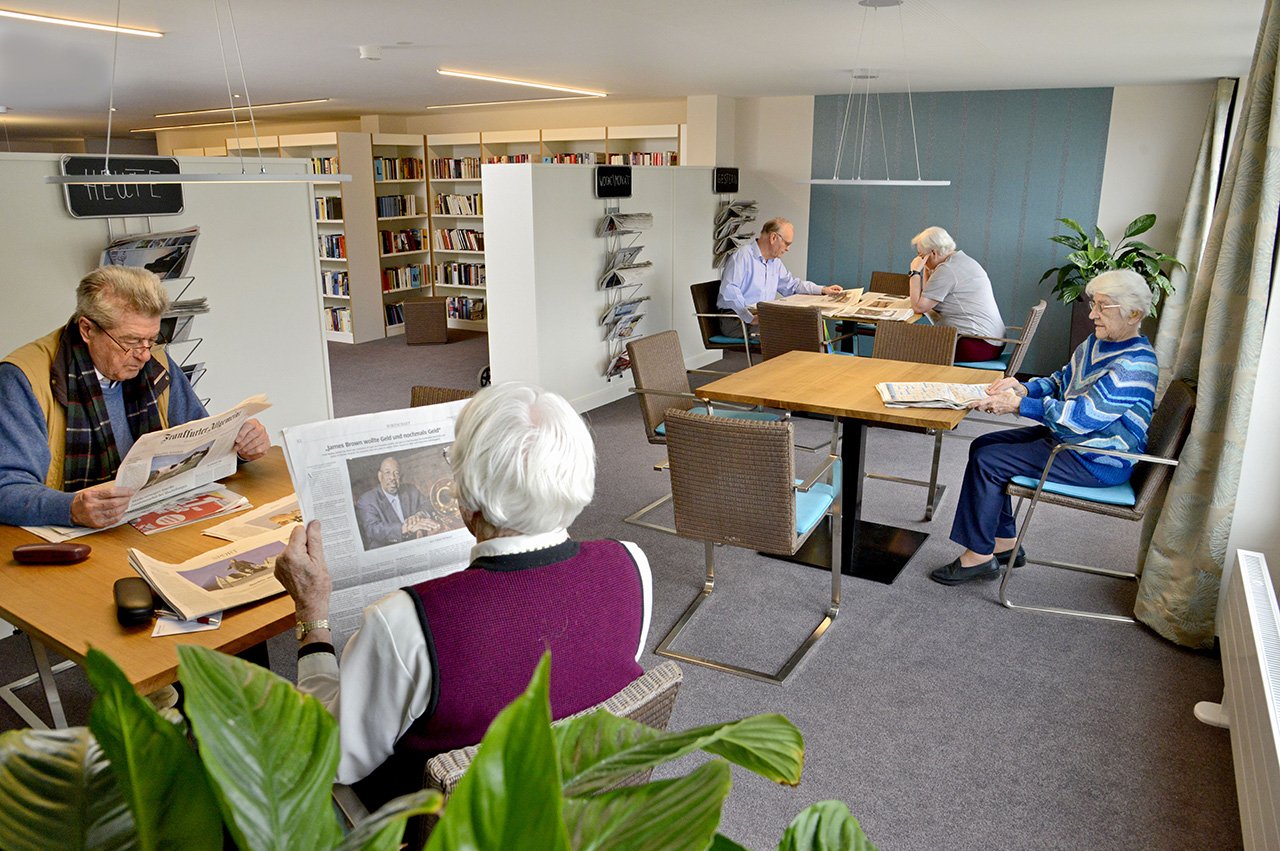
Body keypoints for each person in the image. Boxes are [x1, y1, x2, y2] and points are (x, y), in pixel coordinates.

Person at [274, 382, 653, 808]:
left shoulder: (404, 622)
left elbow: (330, 758)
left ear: (468, 505)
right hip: (573, 808)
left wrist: (312, 616)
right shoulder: (632, 565)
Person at [931, 269, 1158, 585]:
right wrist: (1024, 388)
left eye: (1101, 307)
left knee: (990, 460)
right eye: (1093, 304)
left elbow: (1082, 417)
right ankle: (1004, 544)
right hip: (1073, 442)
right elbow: (1061, 379)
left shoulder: (1134, 364)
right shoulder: (1098, 342)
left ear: (1133, 313)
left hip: (1096, 457)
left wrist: (1018, 405)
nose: (1092, 314)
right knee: (982, 445)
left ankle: (978, 557)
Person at [0, 266, 270, 528]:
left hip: (147, 518)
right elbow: (6, 487)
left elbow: (201, 441)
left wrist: (240, 444)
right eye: (130, 342)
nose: (143, 354)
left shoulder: (156, 361)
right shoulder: (22, 378)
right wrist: (70, 508)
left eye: (151, 339)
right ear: (87, 330)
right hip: (68, 540)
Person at [717, 217, 843, 337]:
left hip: (761, 315)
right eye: (787, 243)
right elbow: (729, 290)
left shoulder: (774, 262)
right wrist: (749, 318)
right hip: (735, 319)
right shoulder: (743, 256)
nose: (788, 249)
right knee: (790, 332)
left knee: (807, 325)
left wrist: (822, 290)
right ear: (773, 238)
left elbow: (792, 286)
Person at [908, 226, 1007, 363]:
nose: (919, 259)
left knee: (907, 347)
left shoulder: (948, 270)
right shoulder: (958, 261)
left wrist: (914, 272)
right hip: (991, 342)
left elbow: (919, 307)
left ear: (934, 253)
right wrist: (926, 267)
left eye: (921, 255)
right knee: (915, 344)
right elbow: (928, 295)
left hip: (976, 344)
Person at [354, 455, 443, 549]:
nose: (392, 478)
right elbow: (373, 529)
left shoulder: (411, 490)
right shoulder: (367, 499)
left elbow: (428, 504)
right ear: (380, 476)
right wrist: (405, 528)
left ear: (400, 476)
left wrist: (419, 515)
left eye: (396, 473)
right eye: (387, 473)